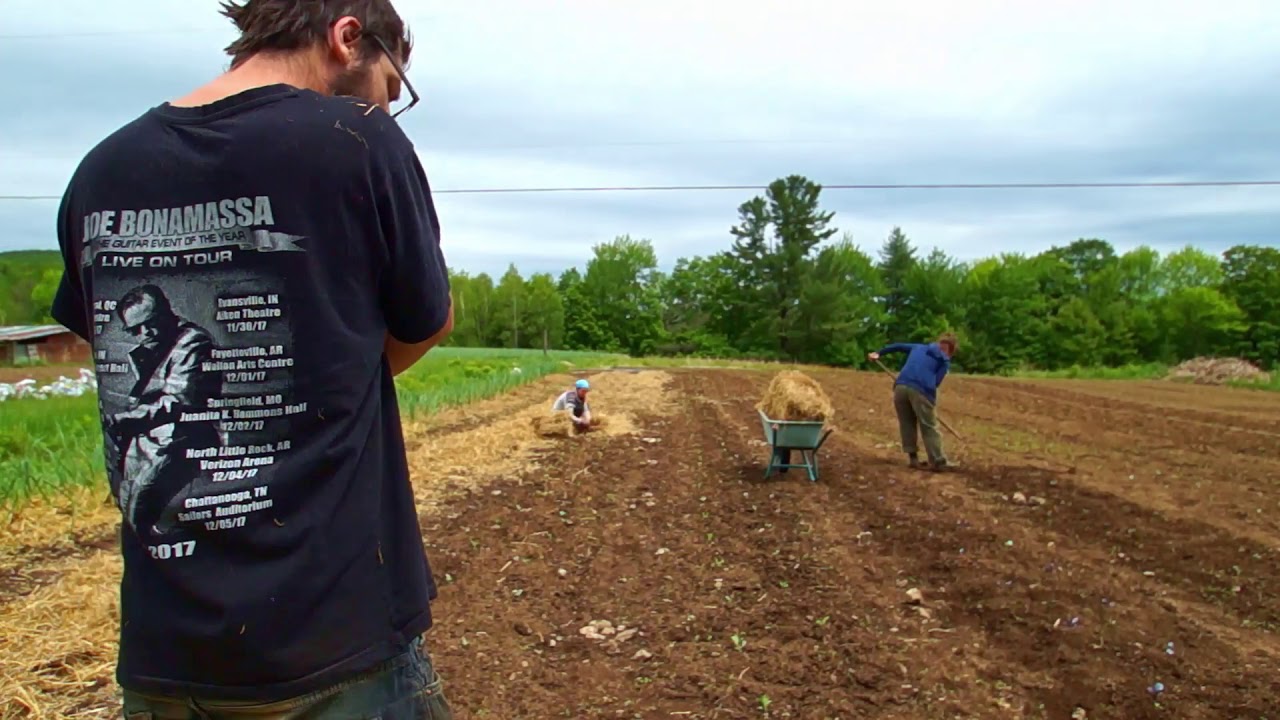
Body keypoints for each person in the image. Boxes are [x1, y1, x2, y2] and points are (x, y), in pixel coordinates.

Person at [47, 1, 456, 717]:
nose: (386, 110)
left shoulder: (103, 168)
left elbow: (103, 350)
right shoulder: (359, 143)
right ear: (347, 37)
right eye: (390, 89)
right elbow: (424, 323)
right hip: (333, 639)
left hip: (164, 649)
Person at [106, 284, 223, 535]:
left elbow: (178, 401)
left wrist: (126, 420)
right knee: (130, 508)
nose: (145, 332)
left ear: (167, 312)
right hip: (146, 440)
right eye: (135, 329)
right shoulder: (152, 347)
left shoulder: (192, 342)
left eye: (151, 322)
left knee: (140, 510)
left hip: (181, 440)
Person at [868, 332, 958, 472]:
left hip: (900, 387)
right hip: (921, 390)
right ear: (950, 349)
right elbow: (936, 383)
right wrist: (929, 402)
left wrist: (879, 353)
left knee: (907, 423)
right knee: (929, 426)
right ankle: (938, 461)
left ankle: (913, 459)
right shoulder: (944, 360)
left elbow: (898, 346)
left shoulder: (918, 347)